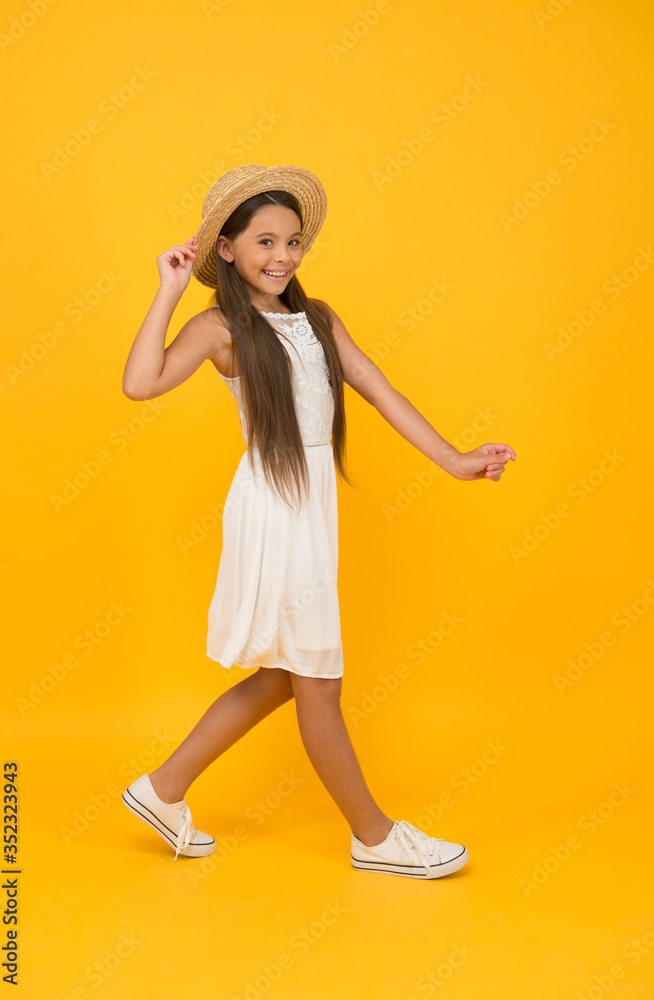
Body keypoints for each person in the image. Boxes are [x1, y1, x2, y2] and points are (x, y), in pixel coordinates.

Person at [120, 164, 516, 879]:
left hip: (311, 505)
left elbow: (376, 387)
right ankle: (376, 837)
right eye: (265, 241)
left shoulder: (320, 319)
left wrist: (454, 459)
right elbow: (139, 383)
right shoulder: (218, 328)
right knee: (319, 680)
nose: (283, 256)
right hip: (274, 507)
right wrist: (169, 291)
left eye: (294, 241)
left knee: (284, 674)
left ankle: (163, 789)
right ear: (227, 249)